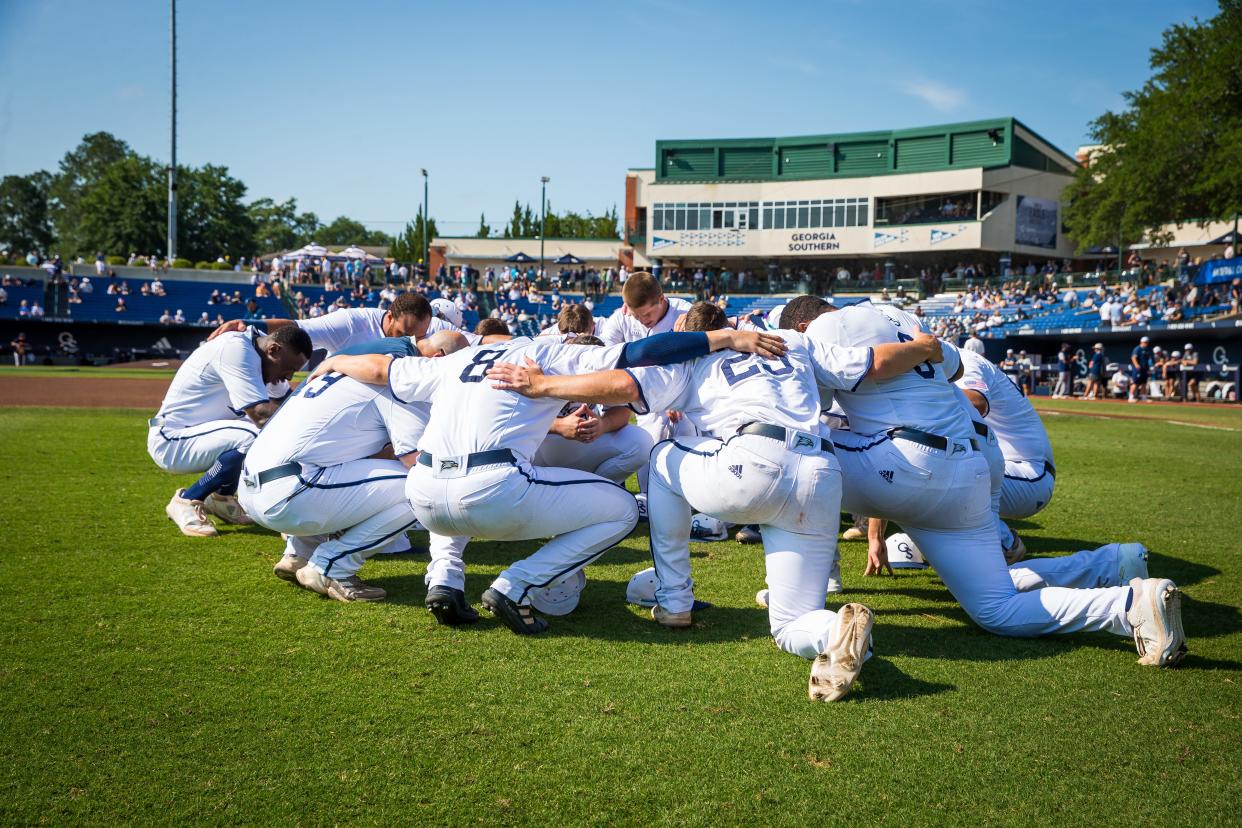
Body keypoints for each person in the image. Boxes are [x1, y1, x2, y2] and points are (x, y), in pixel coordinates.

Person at [488, 301, 943, 702]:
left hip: (750, 463)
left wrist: (544, 386)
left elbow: (623, 387)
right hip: (819, 473)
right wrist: (925, 347)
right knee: (789, 625)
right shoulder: (786, 339)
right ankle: (832, 630)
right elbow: (875, 362)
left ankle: (675, 601)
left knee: (662, 455)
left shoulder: (689, 355)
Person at [781, 295, 1187, 668]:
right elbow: (954, 366)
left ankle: (802, 597)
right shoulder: (900, 315)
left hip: (908, 463)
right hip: (969, 469)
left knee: (793, 455)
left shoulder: (818, 332)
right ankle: (1130, 601)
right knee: (997, 608)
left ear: (802, 326)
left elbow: (809, 404)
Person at [312, 325, 784, 636]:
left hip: (425, 496)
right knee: (622, 510)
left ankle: (446, 577)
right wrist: (723, 336)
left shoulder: (454, 361)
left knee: (442, 475)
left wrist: (334, 361)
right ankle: (514, 584)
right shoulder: (546, 352)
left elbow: (376, 368)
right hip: (493, 489)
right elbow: (641, 351)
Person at [240, 331, 469, 603]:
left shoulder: (364, 366)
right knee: (424, 489)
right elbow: (415, 461)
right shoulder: (405, 380)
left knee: (349, 469)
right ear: (439, 358)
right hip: (287, 493)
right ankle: (332, 566)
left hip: (253, 487)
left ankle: (299, 553)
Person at [148, 325, 313, 536]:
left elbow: (287, 404)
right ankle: (188, 499)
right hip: (172, 439)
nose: (288, 377)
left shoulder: (265, 354)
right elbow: (261, 415)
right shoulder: (236, 350)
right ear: (273, 350)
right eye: (288, 369)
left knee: (260, 434)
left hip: (202, 434)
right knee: (256, 436)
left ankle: (221, 498)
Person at [956, 348, 1056, 563]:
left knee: (943, 476)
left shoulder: (964, 360)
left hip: (1031, 474)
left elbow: (976, 402)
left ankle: (1005, 543)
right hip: (999, 468)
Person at [1129, 336, 1153, 402]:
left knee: (1144, 383)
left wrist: (1149, 368)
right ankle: (1131, 397)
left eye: (1147, 342)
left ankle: (1144, 398)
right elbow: (1133, 358)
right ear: (1141, 342)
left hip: (1144, 369)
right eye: (1145, 342)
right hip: (1138, 369)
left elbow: (1148, 359)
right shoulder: (1137, 349)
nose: (1146, 344)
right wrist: (1137, 365)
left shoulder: (1147, 350)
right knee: (1135, 383)